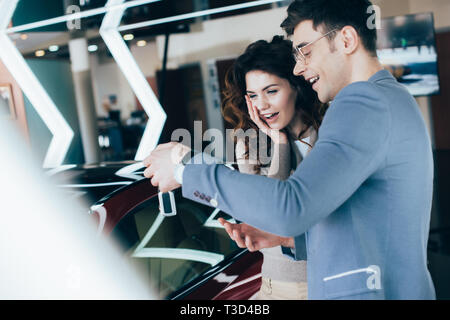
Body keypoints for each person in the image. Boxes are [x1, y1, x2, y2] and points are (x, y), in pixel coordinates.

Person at [143, 0, 436, 300]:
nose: (299, 67)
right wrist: (288, 238)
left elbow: (291, 206)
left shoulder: (360, 103)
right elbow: (368, 224)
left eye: (306, 51)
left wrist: (185, 169)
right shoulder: (392, 97)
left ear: (347, 40)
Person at [219, 36, 325, 300]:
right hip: (271, 285)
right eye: (253, 95)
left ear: (296, 88)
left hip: (318, 284)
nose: (262, 105)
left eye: (271, 91)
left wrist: (281, 141)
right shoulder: (249, 143)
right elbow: (267, 213)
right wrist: (279, 142)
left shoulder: (326, 136)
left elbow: (290, 214)